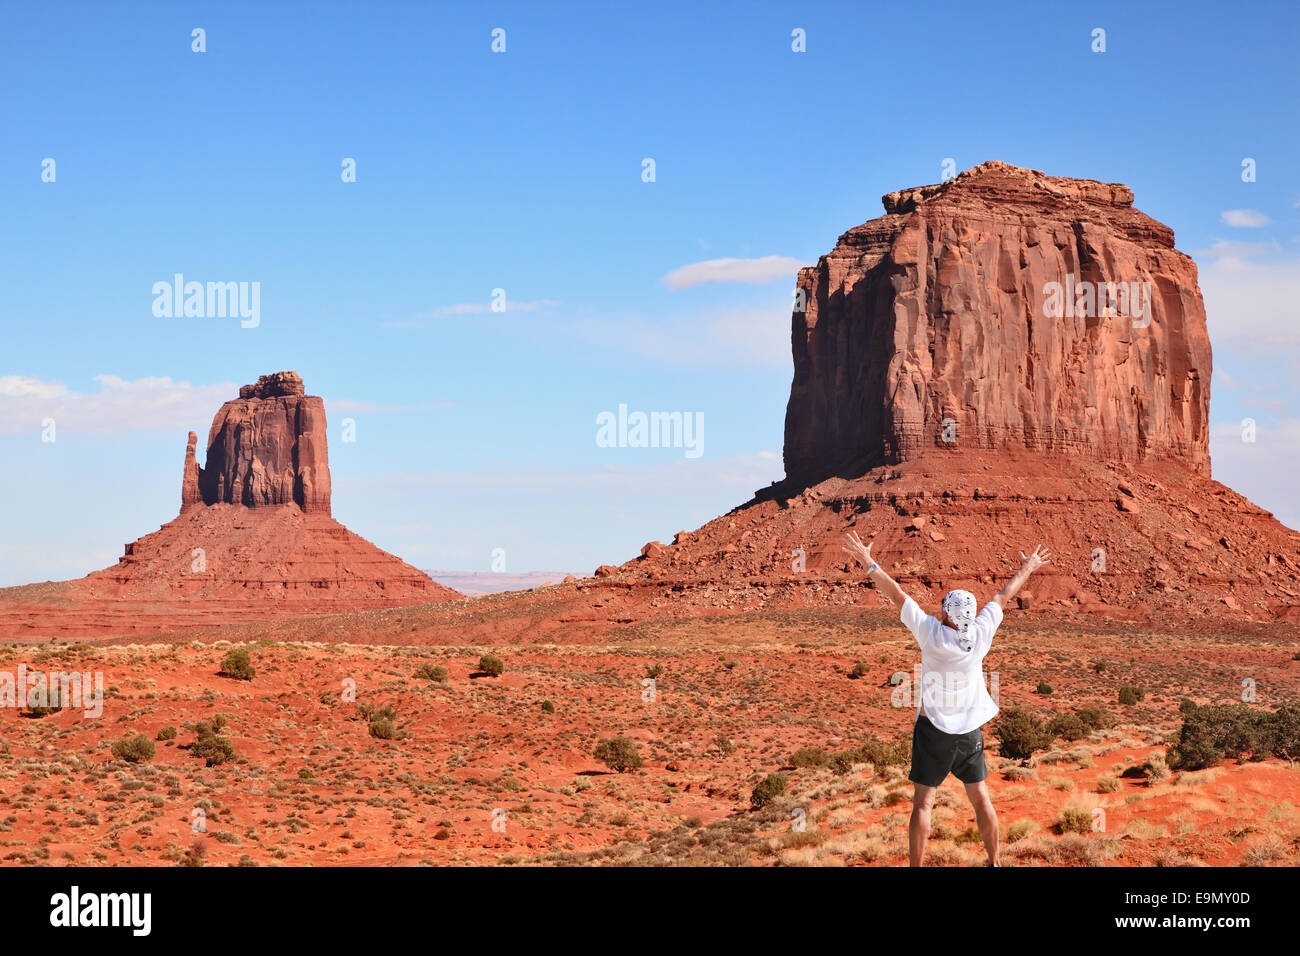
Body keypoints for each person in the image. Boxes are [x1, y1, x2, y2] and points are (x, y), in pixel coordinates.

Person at [842, 530, 1052, 866]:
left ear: (945, 613)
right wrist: (1028, 568)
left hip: (932, 731)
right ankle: (994, 862)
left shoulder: (931, 633)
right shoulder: (981, 633)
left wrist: (867, 562)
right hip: (969, 733)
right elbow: (1002, 595)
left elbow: (896, 595)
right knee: (981, 799)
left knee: (924, 803)